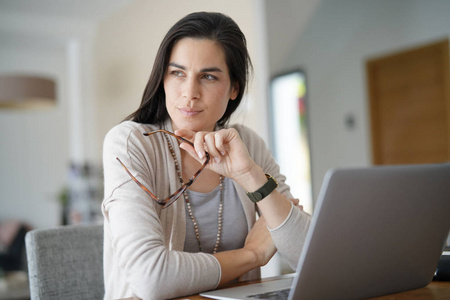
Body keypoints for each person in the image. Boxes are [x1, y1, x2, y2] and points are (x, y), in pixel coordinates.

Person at [102, 11, 311, 300]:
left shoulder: (247, 143)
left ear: (234, 88)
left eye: (208, 76)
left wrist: (250, 175)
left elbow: (310, 257)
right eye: (177, 73)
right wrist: (252, 255)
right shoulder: (130, 143)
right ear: (162, 79)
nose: (189, 93)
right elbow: (151, 278)